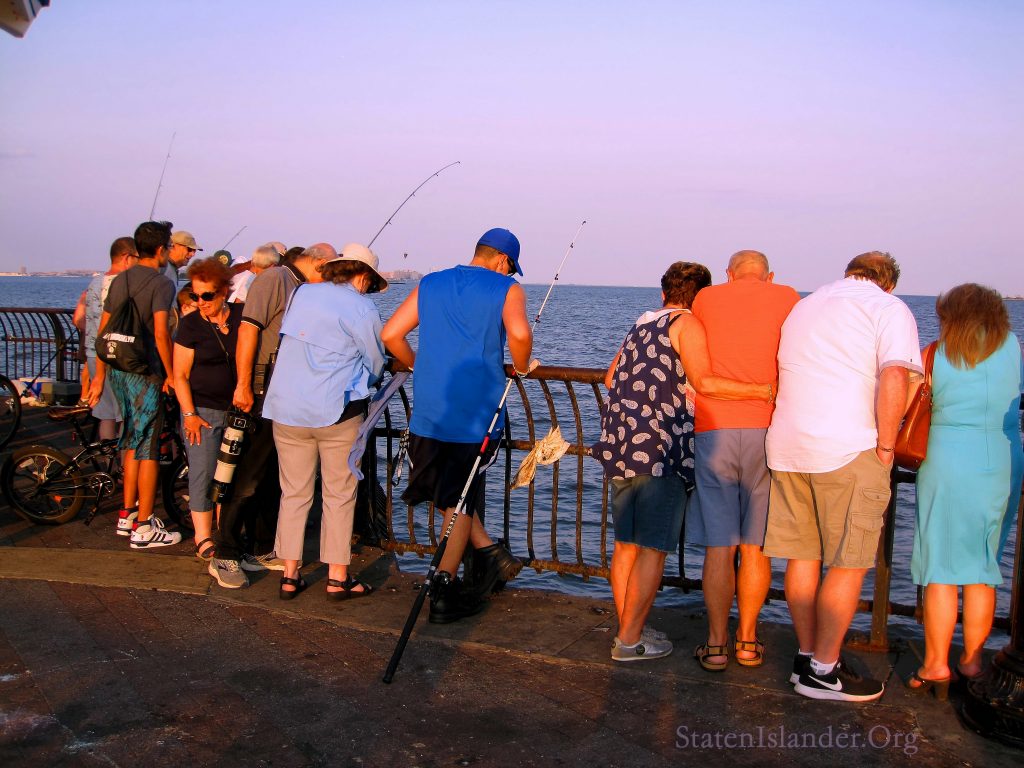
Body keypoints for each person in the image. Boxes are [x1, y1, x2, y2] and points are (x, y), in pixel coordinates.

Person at [594, 261, 774, 663]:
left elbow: (610, 378)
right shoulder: (687, 324)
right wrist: (764, 390)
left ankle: (629, 628)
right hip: (662, 450)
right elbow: (706, 381)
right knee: (653, 548)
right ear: (702, 297)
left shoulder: (642, 324)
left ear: (664, 293)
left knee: (626, 545)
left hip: (623, 444)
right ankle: (630, 642)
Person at [764, 252, 921, 702]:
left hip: (788, 446)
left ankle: (807, 657)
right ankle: (823, 671)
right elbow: (896, 375)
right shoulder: (887, 307)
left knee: (802, 557)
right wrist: (887, 445)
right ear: (889, 282)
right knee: (849, 562)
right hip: (848, 446)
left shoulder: (806, 305)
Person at [381, 227, 532, 624]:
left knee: (448, 492)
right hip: (477, 413)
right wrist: (521, 366)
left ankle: (488, 553)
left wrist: (418, 365)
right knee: (461, 499)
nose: (509, 273)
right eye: (510, 267)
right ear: (503, 261)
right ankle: (445, 589)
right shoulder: (507, 288)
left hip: (431, 408)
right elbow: (519, 333)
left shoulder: (431, 283)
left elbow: (390, 334)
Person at [908, 284, 1023, 698]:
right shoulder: (1012, 347)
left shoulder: (937, 353)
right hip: (1002, 462)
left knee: (940, 566)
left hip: (949, 459)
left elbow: (910, 401)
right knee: (983, 565)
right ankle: (973, 661)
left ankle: (936, 664)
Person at [687, 251, 800, 670]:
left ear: (729, 275)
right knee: (756, 545)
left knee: (720, 546)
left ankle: (716, 645)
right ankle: (748, 642)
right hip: (767, 430)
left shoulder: (706, 299)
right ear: (769, 276)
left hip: (714, 428)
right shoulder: (787, 296)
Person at [262, 243, 388, 599]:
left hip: (286, 408)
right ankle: (337, 578)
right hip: (336, 412)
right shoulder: (363, 307)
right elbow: (376, 360)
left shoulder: (302, 293)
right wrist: (372, 379)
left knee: (294, 492)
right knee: (339, 493)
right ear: (364, 276)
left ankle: (289, 575)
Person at [216, 244, 332, 572]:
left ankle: (263, 545)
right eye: (331, 269)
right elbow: (248, 330)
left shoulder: (300, 287)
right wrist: (243, 385)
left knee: (270, 474)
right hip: (261, 391)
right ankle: (225, 551)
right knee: (248, 472)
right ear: (319, 262)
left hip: (284, 395)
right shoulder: (275, 278)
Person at [89, 220, 182, 548]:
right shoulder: (162, 284)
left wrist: (99, 377)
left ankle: (126, 514)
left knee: (130, 439)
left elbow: (104, 332)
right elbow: (161, 334)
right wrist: (171, 375)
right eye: (168, 246)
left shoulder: (119, 280)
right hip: (146, 371)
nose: (169, 252)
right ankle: (144, 525)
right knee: (149, 447)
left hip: (118, 369)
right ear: (159, 249)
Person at [172, 257, 244, 587]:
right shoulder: (190, 326)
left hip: (237, 411)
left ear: (224, 291)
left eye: (207, 295)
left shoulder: (241, 317)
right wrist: (189, 414)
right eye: (196, 295)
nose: (201, 302)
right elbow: (180, 374)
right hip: (202, 411)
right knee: (203, 471)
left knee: (231, 476)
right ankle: (203, 537)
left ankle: (224, 530)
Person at [72, 236, 138, 442]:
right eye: (137, 258)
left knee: (106, 415)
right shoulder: (123, 284)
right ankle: (123, 461)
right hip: (116, 356)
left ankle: (107, 458)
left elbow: (82, 319)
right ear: (126, 257)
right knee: (126, 416)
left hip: (94, 355)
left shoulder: (95, 282)